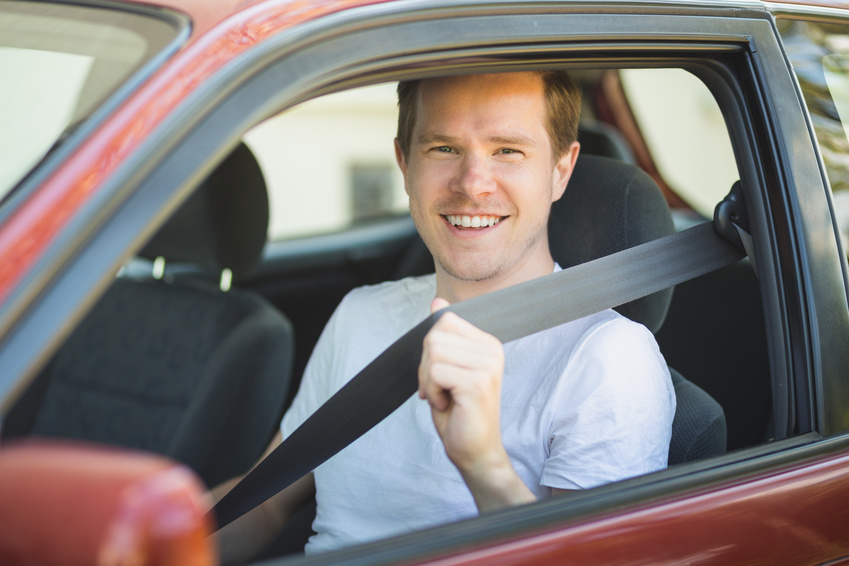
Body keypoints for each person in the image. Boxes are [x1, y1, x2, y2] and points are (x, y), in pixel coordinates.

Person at [214, 70, 676, 563]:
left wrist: (483, 464)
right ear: (404, 164)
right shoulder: (361, 313)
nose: (472, 184)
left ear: (561, 170)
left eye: (507, 150)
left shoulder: (608, 359)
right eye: (442, 148)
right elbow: (262, 506)